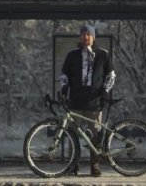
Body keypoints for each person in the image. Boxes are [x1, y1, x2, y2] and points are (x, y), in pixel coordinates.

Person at [60, 25, 116, 177]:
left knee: (95, 135)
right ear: (79, 37)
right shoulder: (72, 55)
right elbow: (64, 75)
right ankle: (73, 165)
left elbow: (111, 75)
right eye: (83, 34)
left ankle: (95, 165)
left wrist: (105, 91)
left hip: (95, 102)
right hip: (76, 101)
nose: (86, 37)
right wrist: (64, 88)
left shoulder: (103, 54)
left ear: (93, 37)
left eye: (88, 34)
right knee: (72, 134)